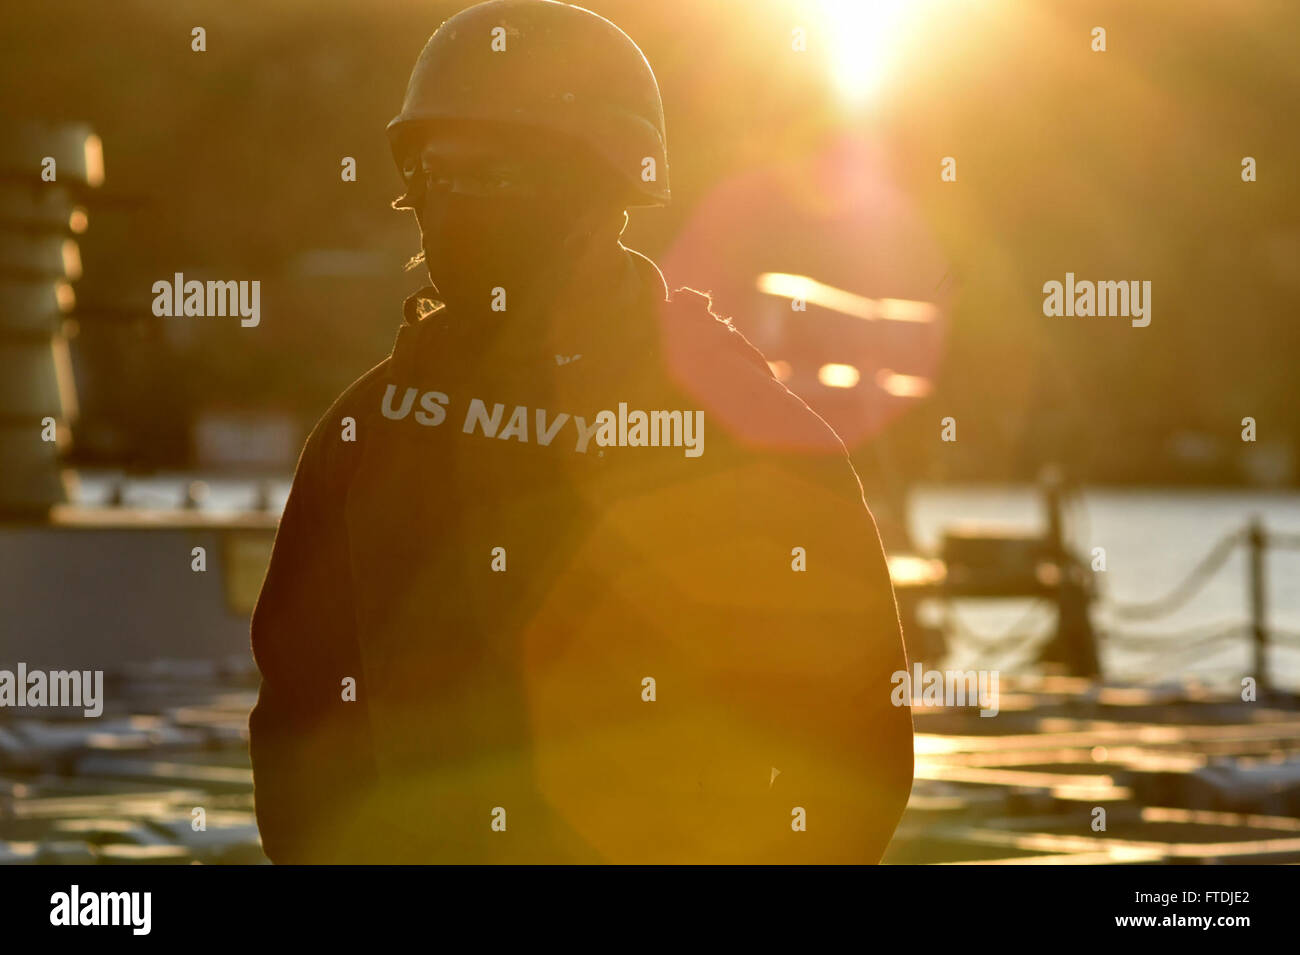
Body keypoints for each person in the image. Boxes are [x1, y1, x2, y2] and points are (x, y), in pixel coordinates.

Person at [248, 0, 913, 864]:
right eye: (437, 173)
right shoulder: (365, 438)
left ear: (599, 185)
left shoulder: (749, 435)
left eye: (498, 172)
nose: (457, 203)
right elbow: (301, 739)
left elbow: (851, 751)